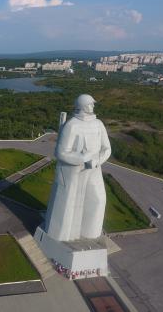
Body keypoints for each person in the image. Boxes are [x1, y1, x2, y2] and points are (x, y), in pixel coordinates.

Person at [45, 94, 111, 241]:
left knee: (98, 200)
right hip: (73, 172)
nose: (93, 106)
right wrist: (82, 159)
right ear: (82, 105)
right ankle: (63, 237)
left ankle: (90, 234)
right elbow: (61, 152)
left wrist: (97, 160)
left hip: (94, 169)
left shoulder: (98, 124)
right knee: (68, 206)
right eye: (90, 104)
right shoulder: (72, 125)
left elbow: (107, 148)